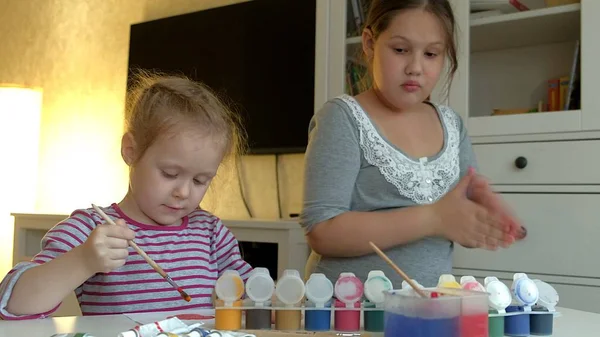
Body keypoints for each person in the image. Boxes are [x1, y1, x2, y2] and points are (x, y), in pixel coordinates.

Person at [300, 0, 525, 288]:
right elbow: (322, 231)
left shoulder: (451, 125)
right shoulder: (343, 118)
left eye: (431, 54)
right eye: (400, 50)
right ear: (369, 43)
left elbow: (458, 220)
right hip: (346, 313)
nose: (415, 67)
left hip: (425, 311)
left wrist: (483, 213)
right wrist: (433, 218)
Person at [0, 72, 253, 319]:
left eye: (200, 180)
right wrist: (83, 260)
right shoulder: (94, 230)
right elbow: (12, 303)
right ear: (130, 150)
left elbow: (254, 297)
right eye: (169, 173)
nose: (183, 192)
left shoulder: (211, 232)